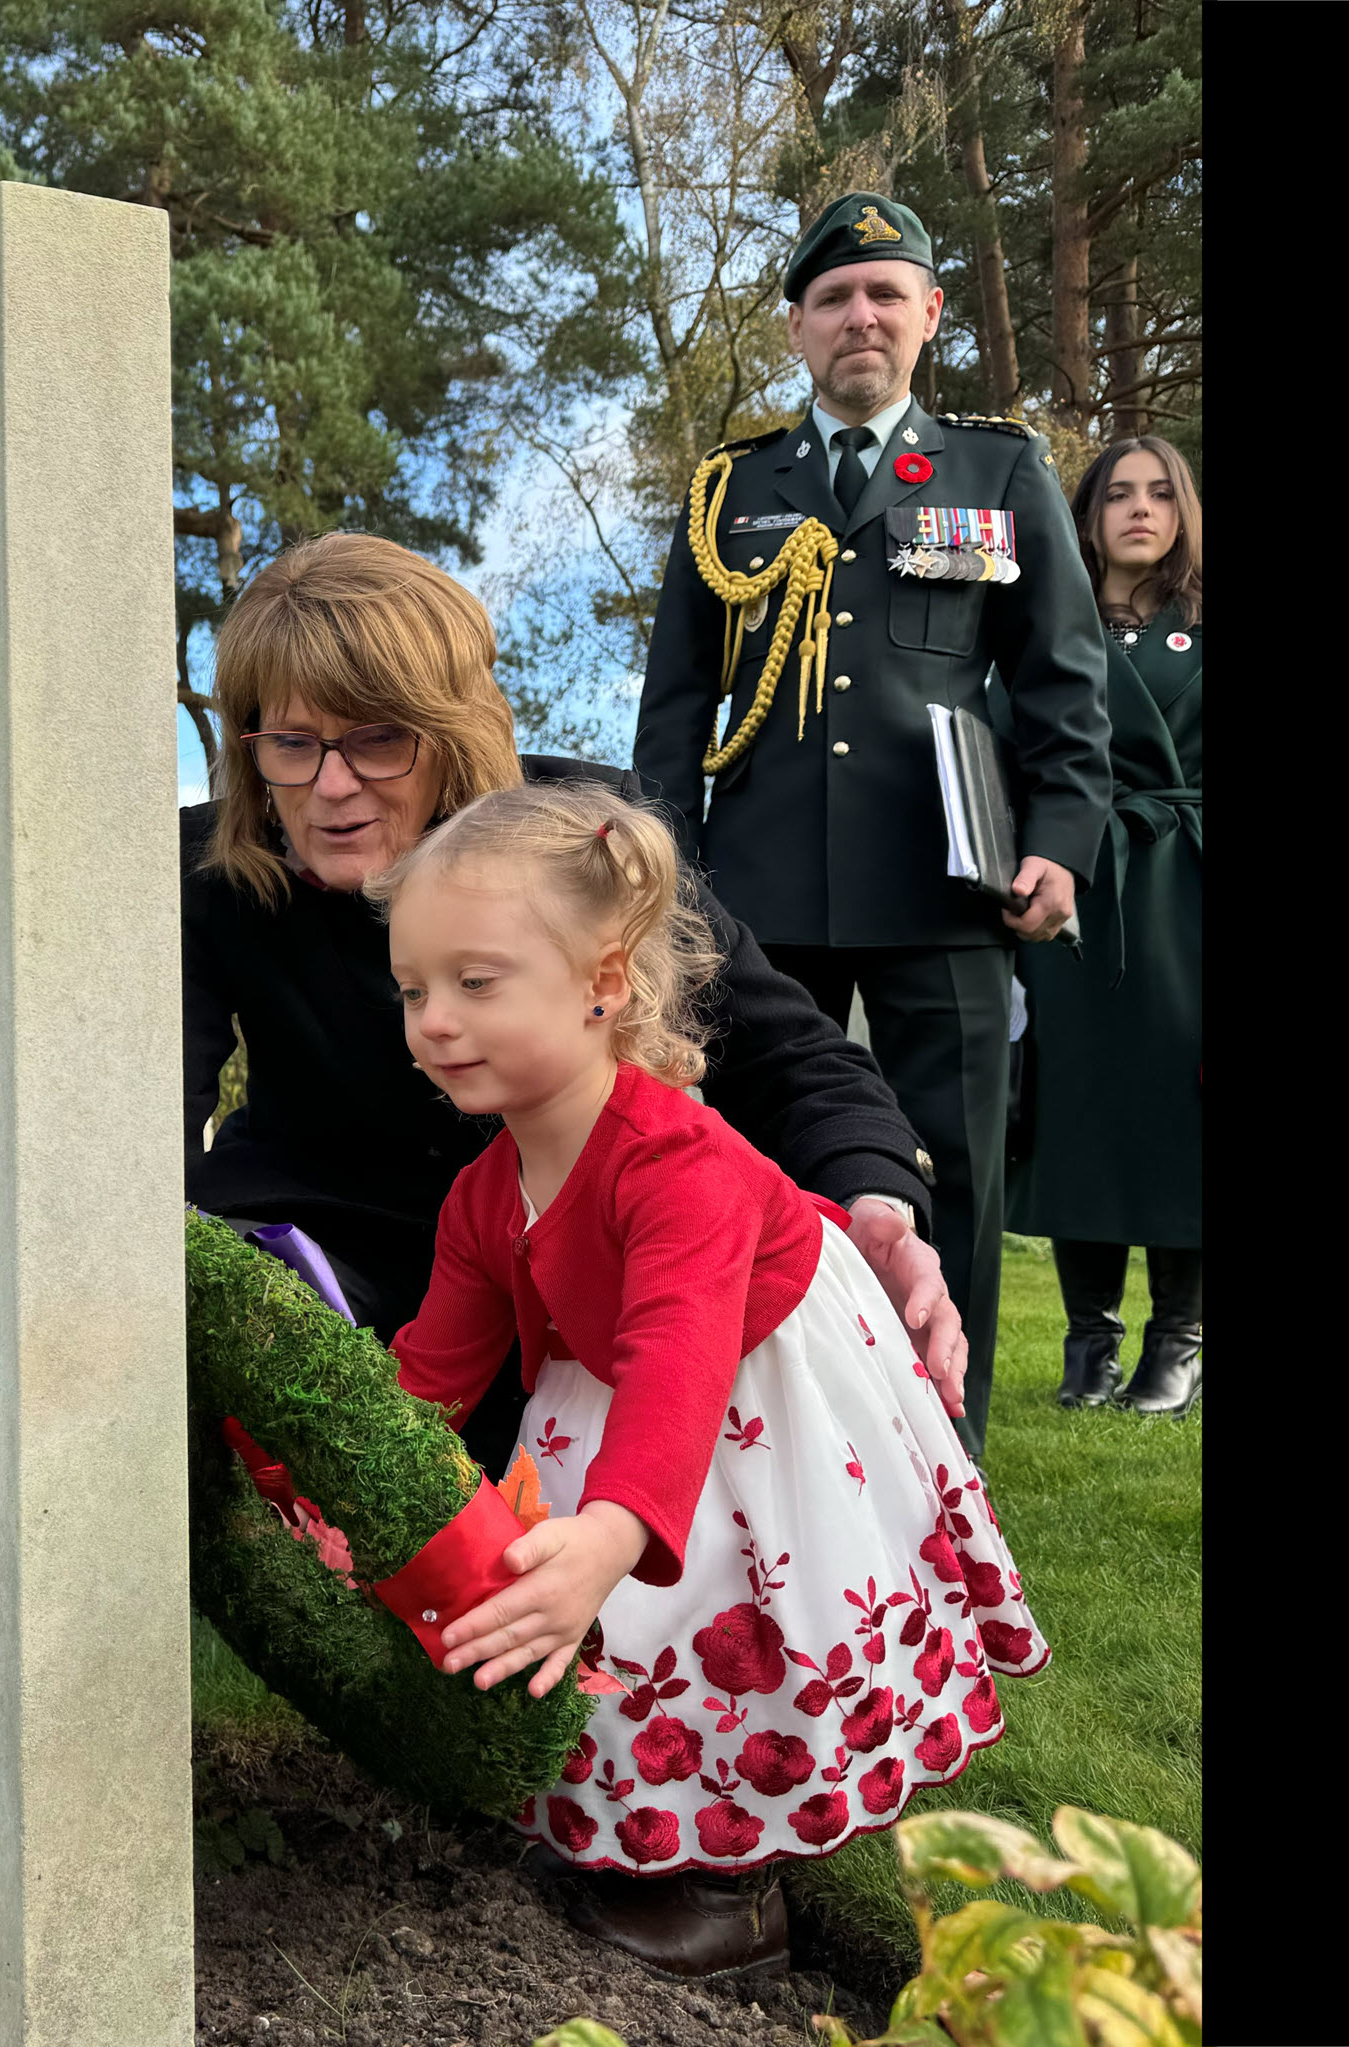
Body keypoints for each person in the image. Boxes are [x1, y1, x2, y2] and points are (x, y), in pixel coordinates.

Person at [373, 781, 1049, 1980]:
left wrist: (608, 1534)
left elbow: (681, 1366)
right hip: (612, 1382)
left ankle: (731, 1883)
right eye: (414, 989)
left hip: (757, 1386)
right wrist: (335, 1481)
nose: (433, 1020)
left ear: (604, 983)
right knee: (606, 1619)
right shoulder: (486, 1191)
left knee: (725, 1614)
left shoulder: (673, 1160)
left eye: (475, 983)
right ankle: (633, 1826)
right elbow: (427, 1369)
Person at [184, 530, 970, 1481]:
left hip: (565, 1277)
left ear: (455, 730)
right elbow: (150, 1134)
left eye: (379, 738)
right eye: (292, 744)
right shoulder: (208, 873)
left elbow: (788, 1055)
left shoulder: (586, 836)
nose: (332, 785)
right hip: (331, 1253)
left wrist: (876, 1198)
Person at [631, 190, 1112, 1464]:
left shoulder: (996, 470)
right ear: (795, 327)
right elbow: (674, 709)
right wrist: (661, 888)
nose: (861, 316)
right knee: (749, 1165)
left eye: (885, 293)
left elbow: (1065, 681)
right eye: (834, 298)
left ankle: (941, 1467)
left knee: (947, 1175)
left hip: (947, 885)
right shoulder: (728, 488)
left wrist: (1059, 839)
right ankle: (763, 1458)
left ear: (928, 314)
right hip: (754, 895)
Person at [1002, 436, 1202, 1415]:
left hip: (1188, 889)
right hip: (1077, 884)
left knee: (1179, 1107)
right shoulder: (1051, 627)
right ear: (1083, 514)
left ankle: (1177, 1340)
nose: (1137, 508)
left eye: (1158, 492)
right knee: (1076, 1105)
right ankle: (1090, 1342)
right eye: (1116, 492)